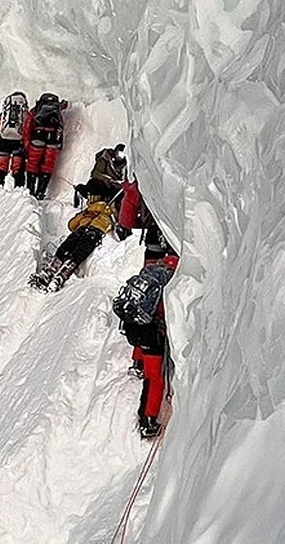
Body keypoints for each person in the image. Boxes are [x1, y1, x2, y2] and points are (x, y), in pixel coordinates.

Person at [112, 182, 180, 440]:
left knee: (146, 316)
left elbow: (128, 221)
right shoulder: (167, 216)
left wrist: (131, 193)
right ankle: (149, 418)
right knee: (155, 361)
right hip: (163, 277)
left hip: (148, 274)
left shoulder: (153, 211)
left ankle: (138, 360)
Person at [29, 199, 116, 292]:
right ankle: (51, 270)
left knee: (80, 251)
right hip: (81, 229)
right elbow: (71, 225)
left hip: (96, 231)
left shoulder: (106, 216)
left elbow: (109, 213)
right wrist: (86, 214)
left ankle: (63, 274)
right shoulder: (86, 214)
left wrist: (99, 211)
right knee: (65, 246)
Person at [22, 93, 66, 199]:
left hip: (38, 137)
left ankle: (31, 190)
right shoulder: (57, 109)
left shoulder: (35, 110)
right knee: (48, 165)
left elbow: (27, 127)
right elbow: (61, 124)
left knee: (32, 164)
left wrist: (26, 145)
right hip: (53, 139)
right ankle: (41, 191)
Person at [0, 91, 29, 187]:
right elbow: (28, 130)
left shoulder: (4, 114)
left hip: (4, 141)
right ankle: (19, 188)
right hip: (18, 142)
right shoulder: (25, 115)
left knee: (2, 165)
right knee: (18, 166)